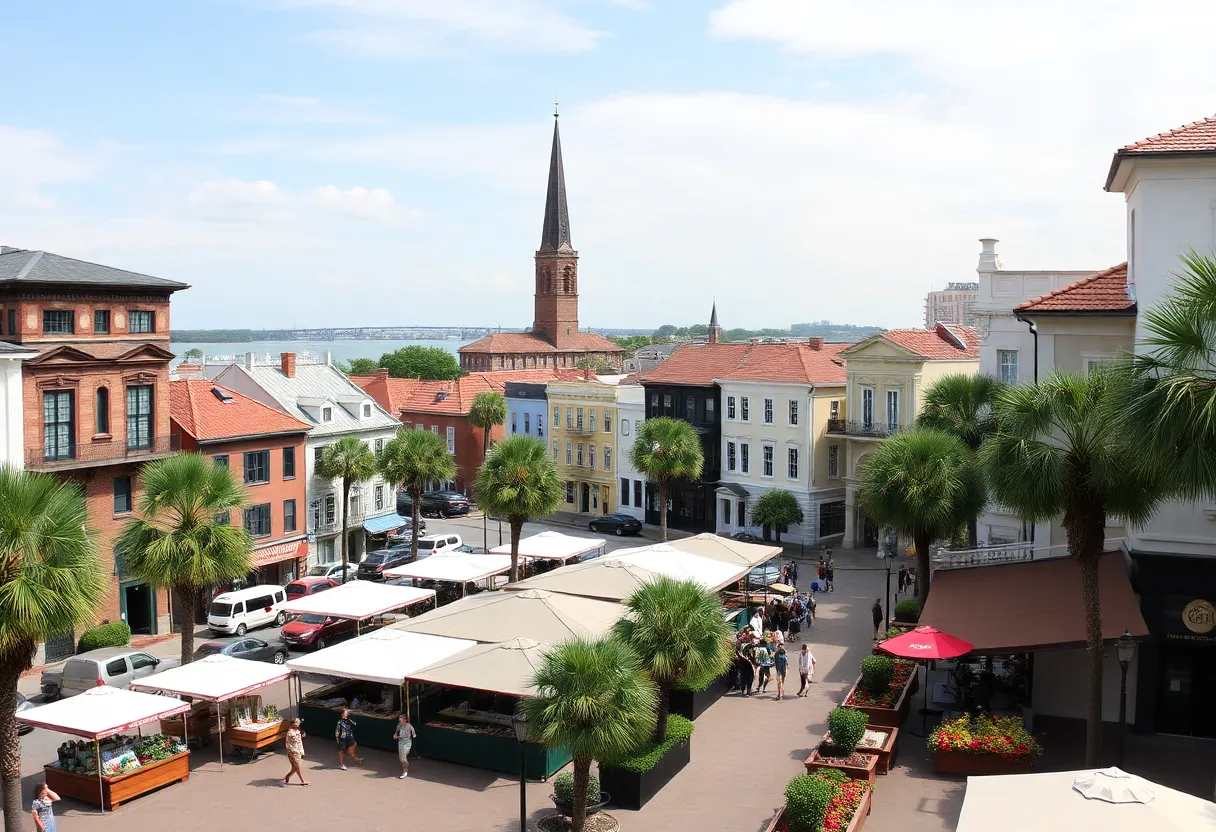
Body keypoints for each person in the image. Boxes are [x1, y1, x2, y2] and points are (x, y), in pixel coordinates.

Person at [283, 718, 309, 786]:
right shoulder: (290, 733)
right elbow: (290, 742)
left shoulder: (297, 730)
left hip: (298, 750)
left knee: (294, 767)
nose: (297, 724)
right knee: (297, 766)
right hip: (292, 752)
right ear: (292, 724)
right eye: (296, 723)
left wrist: (301, 750)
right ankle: (302, 780)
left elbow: (300, 741)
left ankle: (287, 776)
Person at [393, 714, 416, 778]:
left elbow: (413, 733)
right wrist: (395, 736)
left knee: (403, 757)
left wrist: (413, 735)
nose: (401, 722)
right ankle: (405, 768)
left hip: (407, 743)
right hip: (401, 743)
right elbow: (396, 733)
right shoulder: (399, 726)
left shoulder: (409, 726)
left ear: (405, 720)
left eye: (402, 721)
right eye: (400, 721)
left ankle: (405, 770)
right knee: (401, 758)